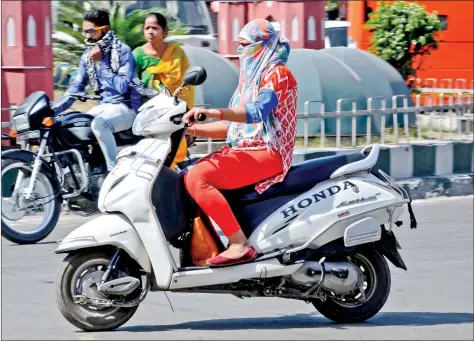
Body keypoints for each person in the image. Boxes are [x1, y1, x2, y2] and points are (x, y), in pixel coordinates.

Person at [182, 19, 298, 267]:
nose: (240, 50)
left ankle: (239, 244)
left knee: (197, 177)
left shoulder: (277, 74)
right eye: (239, 44)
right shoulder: (251, 78)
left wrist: (216, 112)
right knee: (187, 173)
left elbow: (257, 112)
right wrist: (191, 130)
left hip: (269, 152)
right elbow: (235, 128)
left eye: (245, 45)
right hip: (246, 149)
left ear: (262, 45)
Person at [52, 9, 157, 172]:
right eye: (84, 31)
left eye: (91, 31)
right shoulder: (88, 56)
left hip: (126, 108)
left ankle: (112, 172)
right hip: (104, 106)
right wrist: (53, 110)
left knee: (99, 124)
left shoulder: (122, 51)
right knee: (66, 123)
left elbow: (122, 86)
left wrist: (101, 63)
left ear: (105, 30)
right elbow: (75, 88)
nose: (87, 36)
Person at [133, 12, 194, 170]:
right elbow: (132, 84)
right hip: (148, 115)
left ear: (165, 31)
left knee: (172, 155)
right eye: (147, 28)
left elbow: (187, 87)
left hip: (173, 112)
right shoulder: (137, 55)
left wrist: (187, 119)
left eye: (155, 27)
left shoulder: (177, 53)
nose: (150, 31)